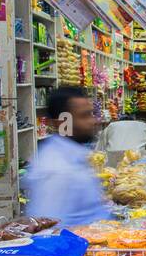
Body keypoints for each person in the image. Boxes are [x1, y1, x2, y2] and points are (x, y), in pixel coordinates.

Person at [23, 87, 114, 227]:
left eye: (91, 114)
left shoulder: (74, 154)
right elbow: (49, 229)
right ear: (62, 123)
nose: (93, 121)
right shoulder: (56, 167)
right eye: (84, 116)